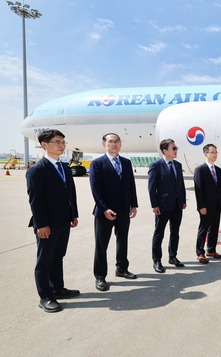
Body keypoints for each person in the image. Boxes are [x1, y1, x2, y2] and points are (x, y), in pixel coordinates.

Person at [26, 129, 79, 313]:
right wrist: (41, 224)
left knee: (58, 257)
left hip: (64, 221)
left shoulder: (64, 167)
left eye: (63, 142)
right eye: (57, 142)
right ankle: (45, 296)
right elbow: (36, 200)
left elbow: (70, 193)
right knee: (45, 260)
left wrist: (73, 215)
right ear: (44, 144)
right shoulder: (36, 170)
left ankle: (58, 288)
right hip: (46, 224)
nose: (61, 145)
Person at [89, 133, 139, 292]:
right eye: (111, 141)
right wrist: (104, 208)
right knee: (101, 245)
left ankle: (122, 269)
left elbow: (131, 184)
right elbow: (95, 189)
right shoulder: (97, 163)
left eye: (117, 141)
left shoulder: (125, 162)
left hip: (124, 209)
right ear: (104, 144)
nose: (115, 144)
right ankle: (100, 276)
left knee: (122, 240)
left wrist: (133, 204)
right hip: (105, 212)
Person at [148, 139, 187, 273]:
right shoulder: (155, 165)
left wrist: (183, 200)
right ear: (165, 151)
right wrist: (154, 205)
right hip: (162, 206)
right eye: (173, 148)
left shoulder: (177, 165)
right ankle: (157, 260)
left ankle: (173, 256)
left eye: (176, 148)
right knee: (159, 234)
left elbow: (181, 185)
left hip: (177, 205)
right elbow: (152, 188)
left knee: (175, 233)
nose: (176, 151)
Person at [193, 144, 221, 264]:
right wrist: (201, 206)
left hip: (217, 205)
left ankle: (211, 249)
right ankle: (200, 252)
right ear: (206, 154)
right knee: (204, 228)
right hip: (205, 206)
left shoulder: (218, 170)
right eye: (212, 152)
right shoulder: (200, 170)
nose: (215, 154)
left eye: (216, 152)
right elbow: (198, 190)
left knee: (214, 228)